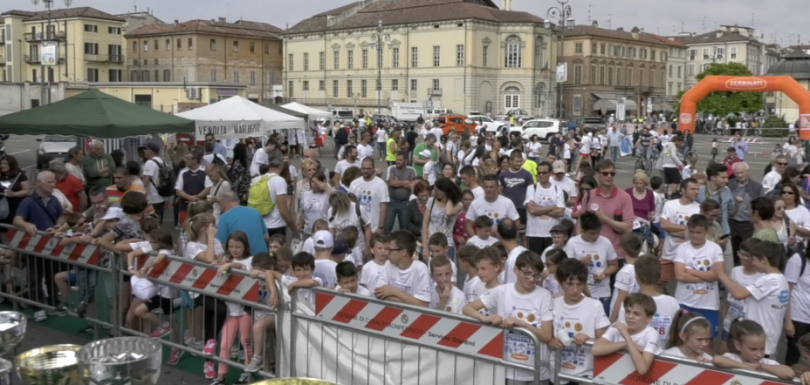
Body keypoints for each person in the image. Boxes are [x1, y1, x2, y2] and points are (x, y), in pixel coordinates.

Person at [716, 240, 788, 358]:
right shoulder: (781, 279)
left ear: (764, 260)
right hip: (764, 335)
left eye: (754, 259)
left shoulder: (770, 280)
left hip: (758, 337)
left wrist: (722, 274)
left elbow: (739, 294)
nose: (753, 263)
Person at [549, 258, 610, 382]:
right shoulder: (553, 303)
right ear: (560, 282)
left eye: (579, 284)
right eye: (570, 284)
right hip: (557, 372)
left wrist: (588, 339)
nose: (575, 290)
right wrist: (551, 341)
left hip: (585, 374)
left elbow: (604, 341)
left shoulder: (595, 305)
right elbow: (547, 334)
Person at [212, 231, 255, 385]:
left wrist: (230, 264)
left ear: (245, 246)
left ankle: (247, 373)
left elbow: (245, 268)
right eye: (231, 247)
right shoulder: (226, 259)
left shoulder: (251, 260)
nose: (234, 250)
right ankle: (221, 377)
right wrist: (219, 265)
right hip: (231, 310)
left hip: (245, 310)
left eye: (238, 247)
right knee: (225, 344)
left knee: (246, 342)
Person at [673, 214, 724, 337]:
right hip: (685, 301)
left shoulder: (715, 248)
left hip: (709, 304)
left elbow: (718, 275)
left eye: (698, 232)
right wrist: (708, 276)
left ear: (707, 231)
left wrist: (690, 271)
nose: (694, 235)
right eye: (691, 232)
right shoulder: (682, 248)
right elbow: (680, 276)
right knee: (683, 337)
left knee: (708, 339)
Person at [580, 160, 635, 264]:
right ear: (597, 174)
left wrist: (605, 219)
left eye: (612, 173)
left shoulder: (624, 197)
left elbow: (628, 228)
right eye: (605, 173)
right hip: (591, 252)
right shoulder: (589, 195)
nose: (609, 176)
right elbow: (580, 223)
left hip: (616, 254)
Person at [592, 293, 660, 375]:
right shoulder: (618, 326)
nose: (630, 316)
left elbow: (642, 369)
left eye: (637, 314)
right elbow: (595, 350)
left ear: (649, 318)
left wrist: (627, 337)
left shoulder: (652, 334)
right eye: (628, 312)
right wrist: (627, 343)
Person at [565, 212, 618, 315]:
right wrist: (581, 263)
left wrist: (604, 273)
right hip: (580, 291)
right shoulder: (573, 243)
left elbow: (614, 265)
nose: (596, 236)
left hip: (602, 291)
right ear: (582, 231)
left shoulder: (606, 242)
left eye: (598, 232)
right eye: (592, 233)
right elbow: (567, 268)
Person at [719, 238, 763, 351]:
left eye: (747, 255)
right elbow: (730, 293)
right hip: (731, 317)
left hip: (748, 321)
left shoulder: (762, 277)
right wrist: (725, 311)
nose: (742, 257)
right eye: (740, 253)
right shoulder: (736, 270)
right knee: (724, 348)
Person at [713, 319, 794, 380]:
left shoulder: (768, 363)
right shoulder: (732, 358)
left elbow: (789, 374)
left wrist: (761, 366)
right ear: (738, 345)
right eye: (753, 349)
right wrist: (744, 366)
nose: (759, 354)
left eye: (762, 348)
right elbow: (717, 360)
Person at [374, 230, 432, 306]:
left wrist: (393, 291)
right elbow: (379, 294)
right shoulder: (388, 264)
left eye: (390, 250)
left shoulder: (420, 269)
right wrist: (411, 301)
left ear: (403, 252)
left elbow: (423, 305)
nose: (386, 253)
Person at [660, 178, 702, 282]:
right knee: (662, 282)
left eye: (697, 189)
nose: (696, 192)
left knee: (685, 282)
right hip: (668, 252)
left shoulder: (699, 209)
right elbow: (664, 225)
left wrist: (671, 228)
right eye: (692, 189)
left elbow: (695, 233)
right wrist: (686, 228)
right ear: (683, 190)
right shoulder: (670, 204)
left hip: (688, 255)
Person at [728, 162, 763, 265]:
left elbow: (762, 205)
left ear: (748, 172)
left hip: (748, 224)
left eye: (742, 172)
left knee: (748, 249)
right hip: (731, 223)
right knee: (732, 250)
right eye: (737, 173)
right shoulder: (729, 184)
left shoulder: (756, 187)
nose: (739, 175)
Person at [350, 157, 389, 238]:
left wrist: (380, 227)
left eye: (368, 168)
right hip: (357, 227)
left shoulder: (381, 184)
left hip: (374, 227)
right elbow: (351, 204)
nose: (365, 171)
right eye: (364, 168)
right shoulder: (354, 183)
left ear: (373, 169)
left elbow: (384, 207)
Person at [261, 155, 297, 238]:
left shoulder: (259, 179)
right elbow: (283, 210)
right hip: (276, 225)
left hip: (262, 224)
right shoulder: (279, 180)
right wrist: (294, 228)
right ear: (281, 165)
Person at [609, 233, 642, 323]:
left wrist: (612, 320)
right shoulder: (640, 268)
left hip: (620, 317)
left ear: (623, 250)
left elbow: (621, 299)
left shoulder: (625, 272)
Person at [0, 156, 30, 245]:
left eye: (5, 164)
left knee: (15, 226)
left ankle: (15, 248)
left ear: (11, 164)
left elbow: (27, 190)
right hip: (2, 205)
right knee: (2, 227)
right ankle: (5, 247)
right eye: (1, 163)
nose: (2, 165)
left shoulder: (20, 175)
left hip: (16, 205)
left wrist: (14, 194)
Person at [698, 162, 733, 236]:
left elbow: (731, 209)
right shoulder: (699, 192)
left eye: (727, 177)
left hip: (724, 232)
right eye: (723, 178)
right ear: (713, 177)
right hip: (704, 232)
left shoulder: (727, 191)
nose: (726, 180)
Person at [384, 152, 416, 234]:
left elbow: (412, 186)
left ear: (405, 161)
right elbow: (391, 183)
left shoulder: (411, 170)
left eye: (400, 160)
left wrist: (398, 182)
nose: (397, 161)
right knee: (387, 227)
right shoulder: (391, 168)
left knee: (404, 229)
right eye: (397, 160)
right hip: (392, 202)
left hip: (405, 203)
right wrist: (407, 181)